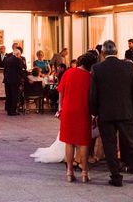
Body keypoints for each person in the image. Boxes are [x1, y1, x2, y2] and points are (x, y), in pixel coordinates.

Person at [89, 40, 133, 187]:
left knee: (110, 146)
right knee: (131, 143)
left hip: (106, 114)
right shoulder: (128, 66)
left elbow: (93, 94)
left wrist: (94, 113)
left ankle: (116, 177)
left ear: (103, 53)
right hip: (126, 112)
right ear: (116, 52)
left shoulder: (97, 68)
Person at [58, 54, 94, 183]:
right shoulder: (90, 77)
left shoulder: (68, 73)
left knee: (69, 141)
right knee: (83, 142)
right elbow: (92, 98)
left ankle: (69, 171)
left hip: (68, 110)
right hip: (83, 111)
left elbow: (61, 92)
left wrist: (60, 109)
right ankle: (84, 173)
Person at [3, 49, 23, 116]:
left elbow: (4, 70)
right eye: (20, 54)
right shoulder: (18, 60)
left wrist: (6, 77)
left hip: (7, 80)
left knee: (8, 96)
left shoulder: (7, 60)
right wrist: (26, 78)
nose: (20, 56)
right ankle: (13, 111)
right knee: (14, 96)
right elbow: (21, 72)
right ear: (18, 54)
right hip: (15, 81)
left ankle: (9, 111)